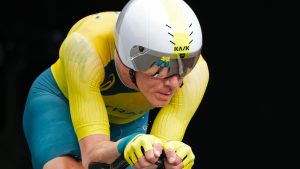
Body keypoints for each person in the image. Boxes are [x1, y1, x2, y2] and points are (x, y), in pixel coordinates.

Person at [22, 0, 209, 168]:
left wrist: (170, 161)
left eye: (185, 66)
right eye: (162, 67)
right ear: (130, 56)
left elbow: (155, 159)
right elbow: (92, 158)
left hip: (128, 119)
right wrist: (127, 144)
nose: (174, 83)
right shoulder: (85, 50)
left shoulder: (197, 73)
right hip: (62, 100)